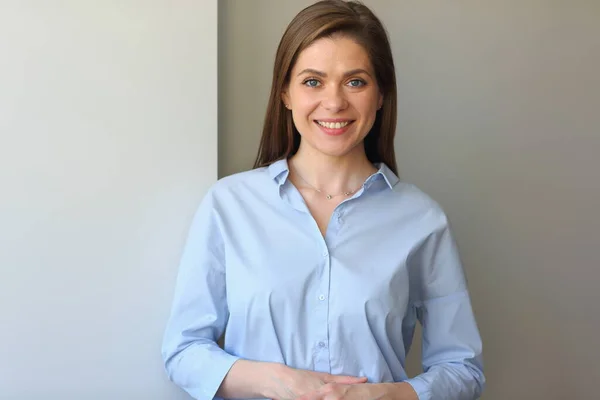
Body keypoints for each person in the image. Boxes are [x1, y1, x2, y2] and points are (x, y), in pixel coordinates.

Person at [161, 1, 485, 399]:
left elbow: (463, 369)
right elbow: (183, 350)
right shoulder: (228, 205)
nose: (334, 103)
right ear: (286, 93)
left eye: (355, 82)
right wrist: (279, 381)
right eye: (313, 81)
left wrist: (384, 396)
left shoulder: (422, 220)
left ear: (381, 94)